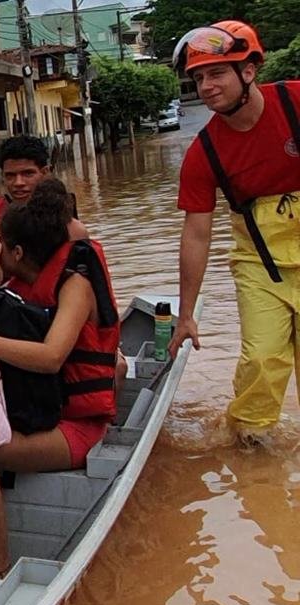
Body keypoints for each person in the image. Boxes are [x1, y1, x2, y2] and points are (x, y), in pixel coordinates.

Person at [0, 179, 119, 574]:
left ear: (16, 250)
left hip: (75, 423)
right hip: (33, 410)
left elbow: (50, 358)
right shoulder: (19, 281)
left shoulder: (75, 285)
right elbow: (6, 315)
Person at [168, 20, 300, 445]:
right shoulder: (204, 153)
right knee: (261, 360)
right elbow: (196, 234)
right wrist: (186, 315)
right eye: (198, 77)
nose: (206, 86)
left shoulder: (296, 101)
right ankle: (251, 449)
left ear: (249, 70)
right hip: (261, 268)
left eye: (217, 72)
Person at [0, 135, 88, 289]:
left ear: (45, 173)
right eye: (10, 176)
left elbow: (87, 292)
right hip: (4, 309)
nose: (18, 183)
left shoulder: (73, 231)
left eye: (28, 174)